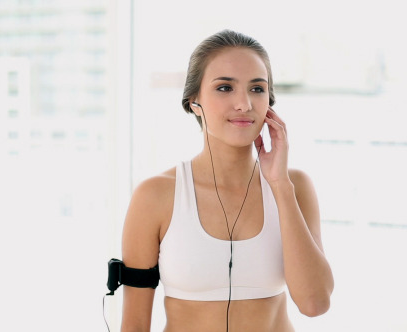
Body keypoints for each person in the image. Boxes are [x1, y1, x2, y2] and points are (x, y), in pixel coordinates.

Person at [120, 29, 334, 332]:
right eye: (224, 88)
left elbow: (315, 304)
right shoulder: (156, 195)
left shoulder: (293, 186)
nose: (244, 104)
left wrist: (280, 186)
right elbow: (134, 325)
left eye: (257, 89)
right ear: (195, 101)